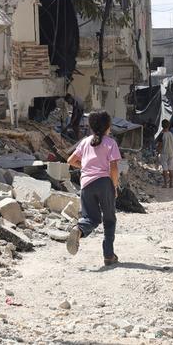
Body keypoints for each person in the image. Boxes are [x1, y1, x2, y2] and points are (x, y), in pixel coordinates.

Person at [65, 110, 122, 266]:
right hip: (104, 183)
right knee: (109, 219)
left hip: (86, 184)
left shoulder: (85, 142)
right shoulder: (110, 143)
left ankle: (79, 229)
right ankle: (108, 256)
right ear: (108, 126)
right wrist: (114, 186)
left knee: (91, 218)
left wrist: (86, 166)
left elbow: (70, 160)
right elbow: (114, 167)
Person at [156, 119, 173, 188]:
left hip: (164, 153)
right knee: (171, 169)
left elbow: (160, 145)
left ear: (162, 126)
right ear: (169, 126)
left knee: (165, 169)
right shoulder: (171, 134)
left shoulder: (162, 135)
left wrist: (157, 152)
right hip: (171, 153)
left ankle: (165, 184)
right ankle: (171, 184)